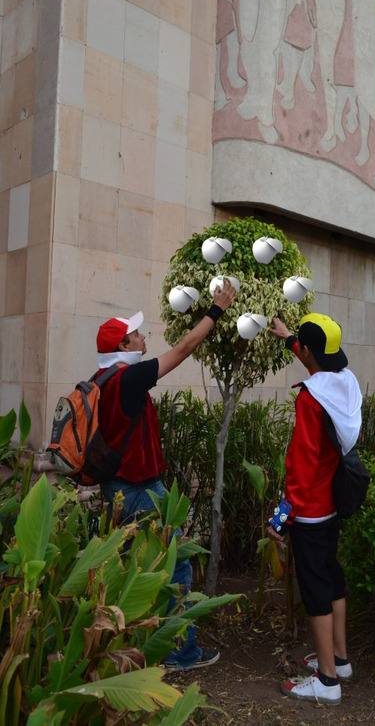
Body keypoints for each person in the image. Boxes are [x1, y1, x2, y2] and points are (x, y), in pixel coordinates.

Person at [94, 280, 236, 671]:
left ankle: (137, 649)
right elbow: (184, 349)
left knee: (136, 569)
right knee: (175, 567)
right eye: (136, 333)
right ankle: (179, 653)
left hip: (121, 488)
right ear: (123, 347)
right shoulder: (128, 379)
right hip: (139, 491)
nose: (143, 336)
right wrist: (216, 309)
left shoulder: (103, 380)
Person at [267, 313, 362, 705]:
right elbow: (316, 359)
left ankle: (326, 681)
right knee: (332, 578)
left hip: (309, 512)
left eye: (301, 348)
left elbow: (300, 467)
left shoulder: (310, 399)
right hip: (334, 506)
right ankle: (339, 660)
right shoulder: (346, 382)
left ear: (308, 353)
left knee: (316, 590)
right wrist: (289, 336)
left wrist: (279, 518)